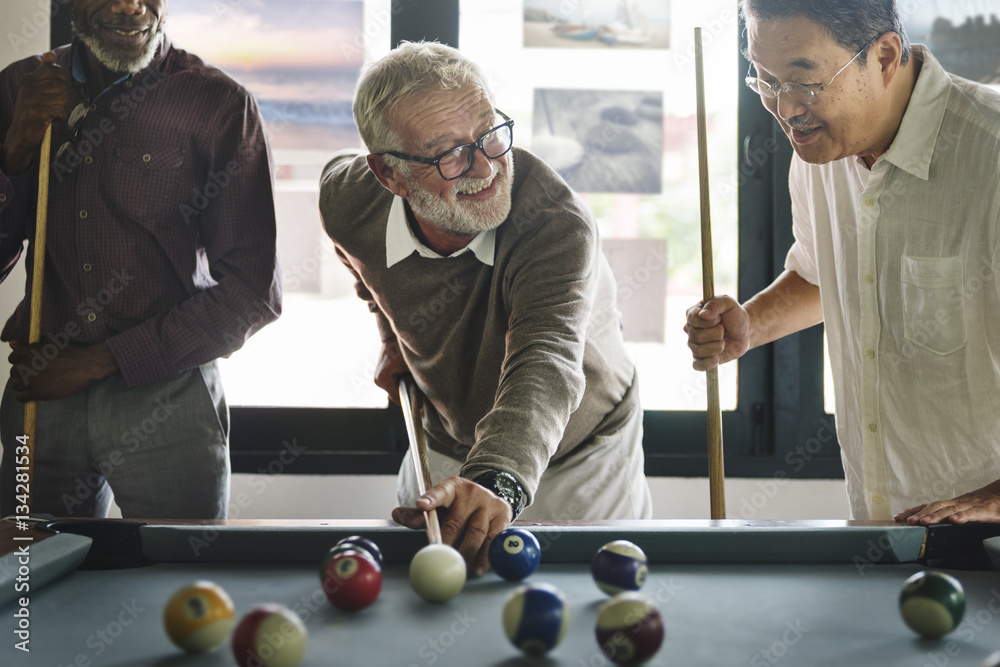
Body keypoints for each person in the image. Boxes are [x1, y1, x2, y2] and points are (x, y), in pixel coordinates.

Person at [320, 41, 652, 575]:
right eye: (447, 152)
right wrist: (390, 339)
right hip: (448, 438)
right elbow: (360, 263)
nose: (485, 166)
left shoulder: (555, 224)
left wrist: (495, 479)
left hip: (581, 452)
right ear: (389, 175)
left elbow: (545, 362)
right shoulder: (348, 199)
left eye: (488, 133)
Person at [685, 0, 1000, 524]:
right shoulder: (819, 148)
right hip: (881, 525)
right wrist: (750, 324)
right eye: (764, 79)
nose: (784, 109)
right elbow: (820, 273)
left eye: (805, 82)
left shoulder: (991, 157)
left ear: (884, 56)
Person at [0, 0, 281, 519]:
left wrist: (94, 363)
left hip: (168, 397)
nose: (131, 6)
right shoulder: (20, 87)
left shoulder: (218, 102)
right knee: (26, 580)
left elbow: (252, 293)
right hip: (40, 393)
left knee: (179, 584)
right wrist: (12, 155)